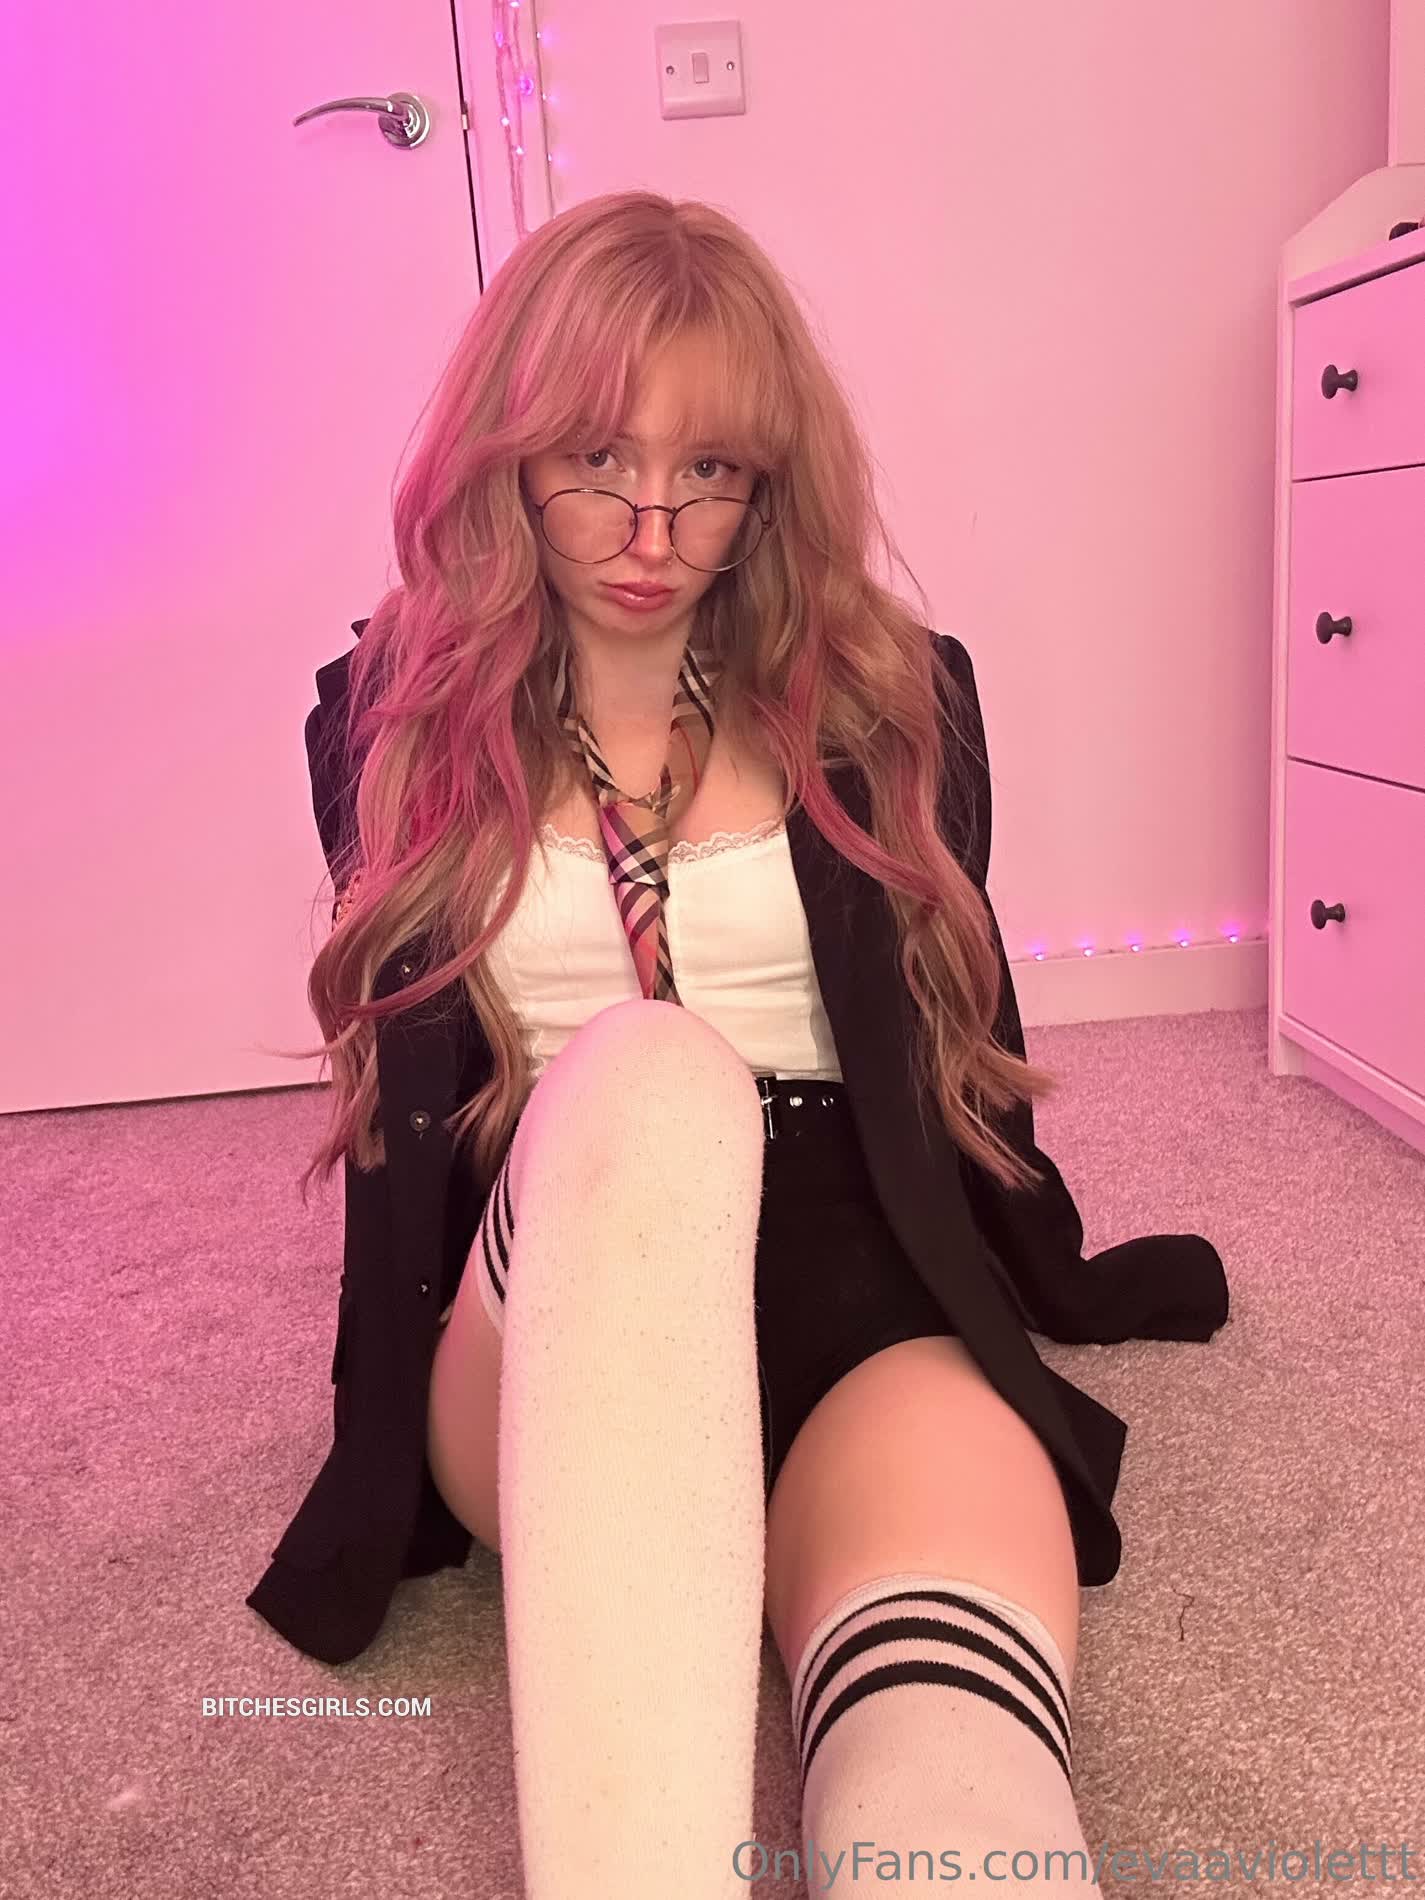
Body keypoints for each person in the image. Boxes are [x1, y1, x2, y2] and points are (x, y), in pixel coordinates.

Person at [278, 190, 1227, 1896]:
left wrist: (1043, 1271)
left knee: (955, 1796)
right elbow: (406, 1133)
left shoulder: (891, 698)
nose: (650, 526)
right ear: (505, 457)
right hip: (568, 1286)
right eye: (594, 460)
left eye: (708, 470)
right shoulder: (390, 722)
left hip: (860, 1294)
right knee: (654, 1078)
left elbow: (958, 1056)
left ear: (769, 480)